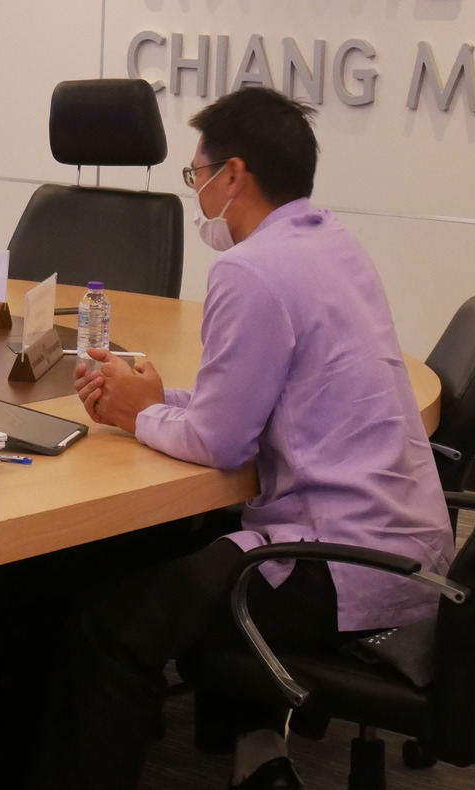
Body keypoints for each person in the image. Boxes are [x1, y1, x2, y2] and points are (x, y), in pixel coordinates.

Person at [53, 86, 453, 790]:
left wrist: (136, 415)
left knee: (117, 624)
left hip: (338, 563)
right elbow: (265, 401)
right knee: (197, 559)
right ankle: (255, 749)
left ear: (233, 174)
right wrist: (157, 402)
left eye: (197, 173)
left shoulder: (249, 270)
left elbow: (222, 443)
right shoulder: (332, 243)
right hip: (409, 545)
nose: (196, 191)